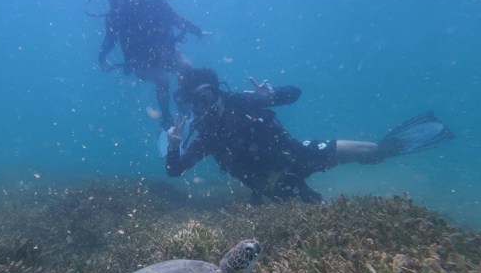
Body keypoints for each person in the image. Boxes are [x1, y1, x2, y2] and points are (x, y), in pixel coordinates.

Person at [165, 67, 454, 204]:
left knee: (369, 149)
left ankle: (402, 142)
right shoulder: (207, 137)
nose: (207, 106)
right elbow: (175, 170)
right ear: (191, 105)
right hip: (273, 183)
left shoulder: (242, 101)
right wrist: (174, 146)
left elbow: (295, 94)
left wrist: (272, 94)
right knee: (317, 212)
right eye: (198, 102)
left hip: (298, 153)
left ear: (219, 92)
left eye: (210, 96)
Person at [92, 0, 205, 129]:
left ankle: (183, 100)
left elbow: (176, 19)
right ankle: (166, 118)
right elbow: (110, 39)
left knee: (187, 67)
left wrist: (197, 31)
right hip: (140, 62)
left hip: (165, 53)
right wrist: (101, 57)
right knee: (162, 79)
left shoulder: (155, 3)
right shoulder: (115, 15)